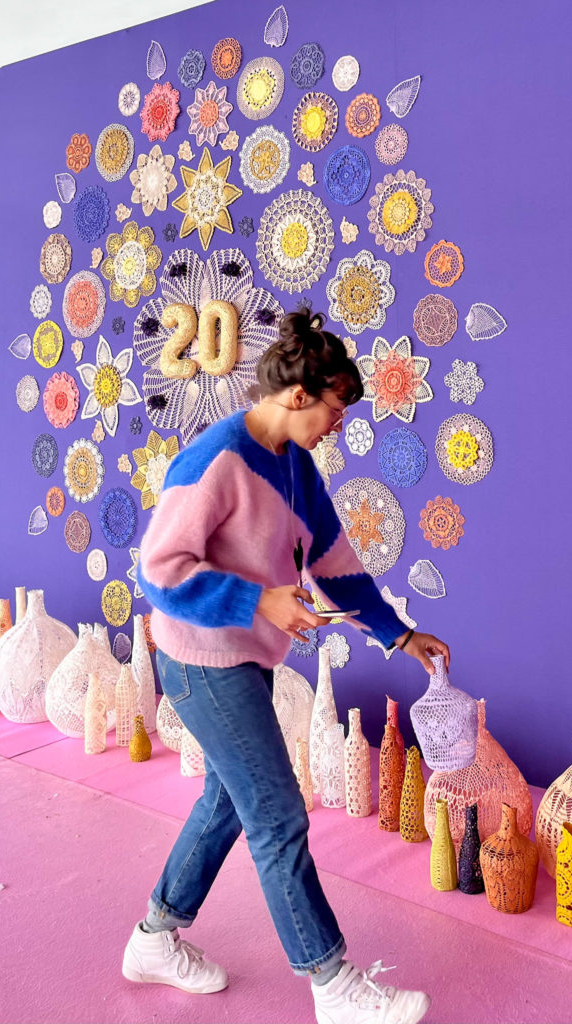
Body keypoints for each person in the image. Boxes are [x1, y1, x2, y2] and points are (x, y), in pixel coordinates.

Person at [123, 306, 450, 1024]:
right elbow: (160, 570)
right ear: (300, 394)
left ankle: (153, 937)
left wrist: (400, 634)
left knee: (226, 803)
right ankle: (332, 983)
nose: (340, 425)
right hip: (199, 660)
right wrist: (260, 602)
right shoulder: (215, 457)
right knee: (275, 813)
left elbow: (338, 565)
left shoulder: (298, 469)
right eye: (337, 408)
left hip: (242, 659)